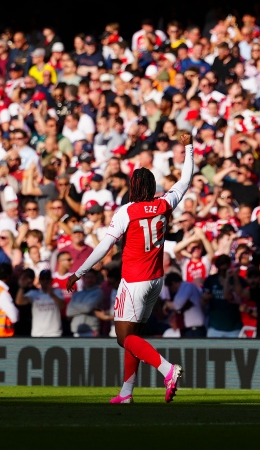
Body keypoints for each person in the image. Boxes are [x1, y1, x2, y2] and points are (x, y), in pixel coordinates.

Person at [66, 133, 195, 404]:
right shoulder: (164, 204)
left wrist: (79, 272)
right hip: (156, 280)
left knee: (124, 337)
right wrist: (189, 147)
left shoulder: (127, 211)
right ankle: (126, 393)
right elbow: (185, 181)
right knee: (133, 336)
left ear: (134, 186)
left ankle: (167, 369)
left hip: (134, 280)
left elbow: (104, 246)